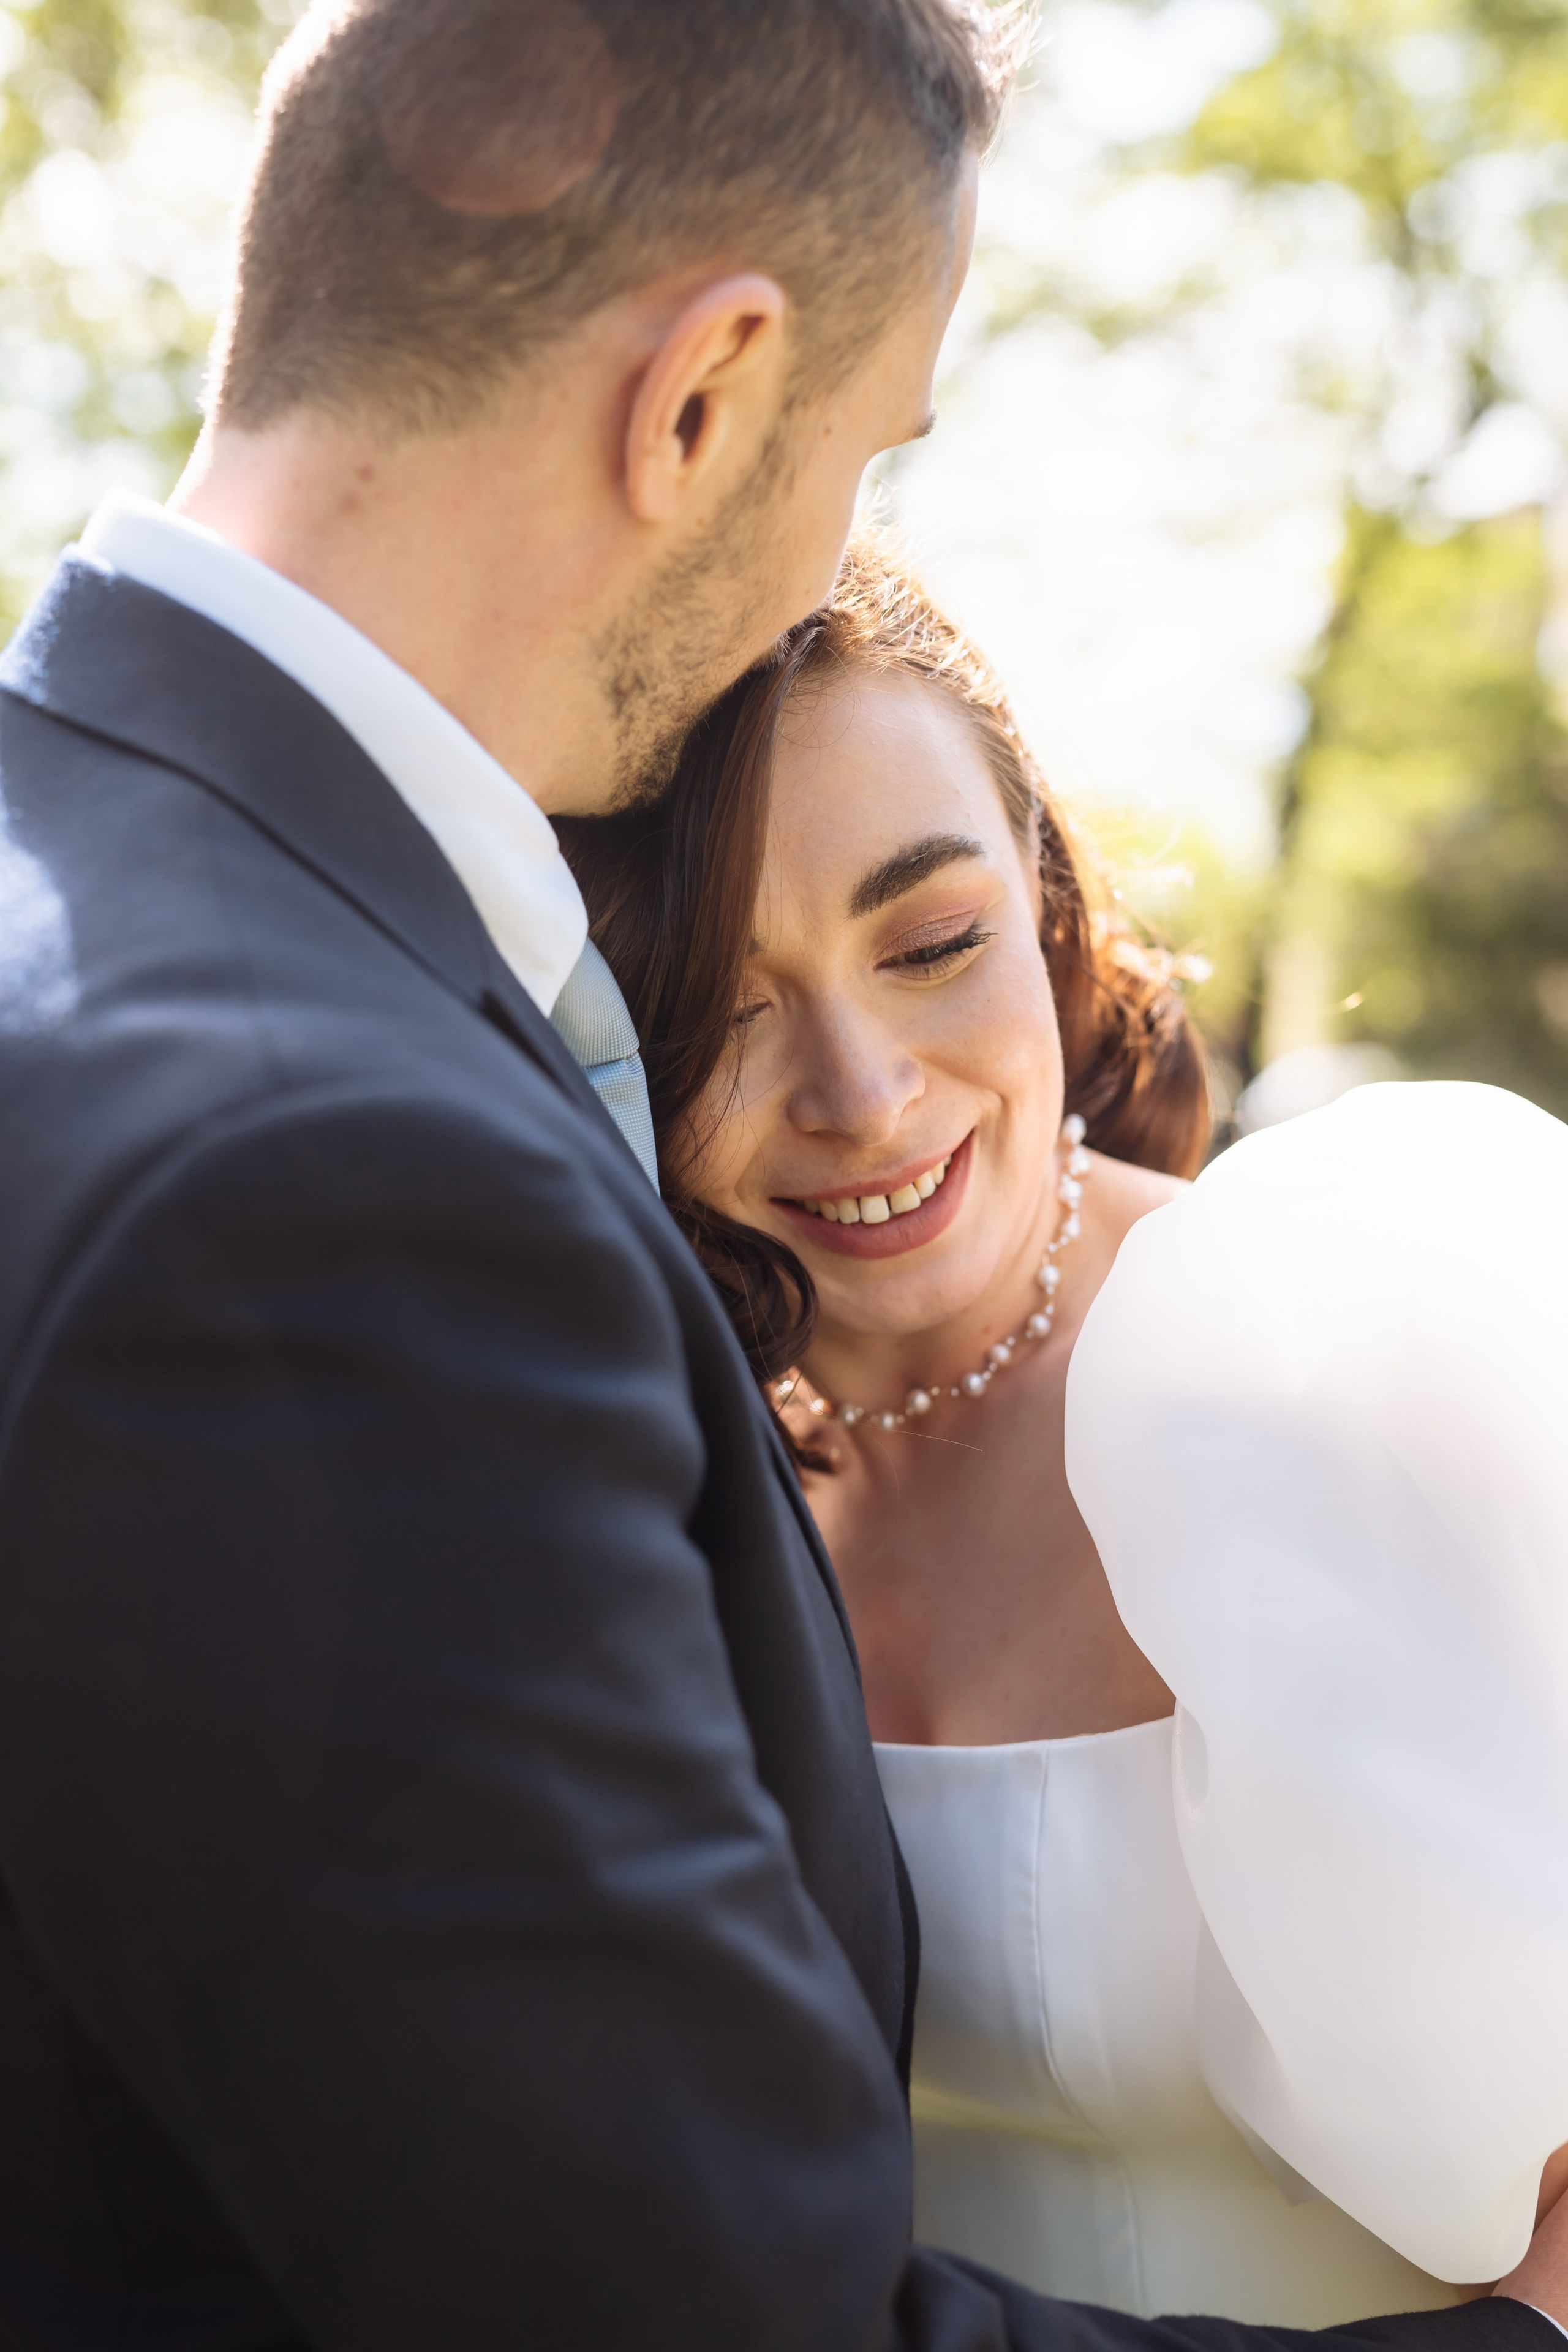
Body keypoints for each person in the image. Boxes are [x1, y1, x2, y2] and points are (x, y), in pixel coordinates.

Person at [1, 0, 1563, 2343]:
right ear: (705, 394)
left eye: (932, 939)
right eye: (872, 441)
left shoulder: (98, 911)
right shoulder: (333, 1169)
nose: (852, 1088)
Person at [563, 535, 1568, 2331]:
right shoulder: (628, 1465)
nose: (864, 1099)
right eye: (722, 1007)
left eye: (933, 944)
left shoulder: (1378, 1338)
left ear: (1042, 901)